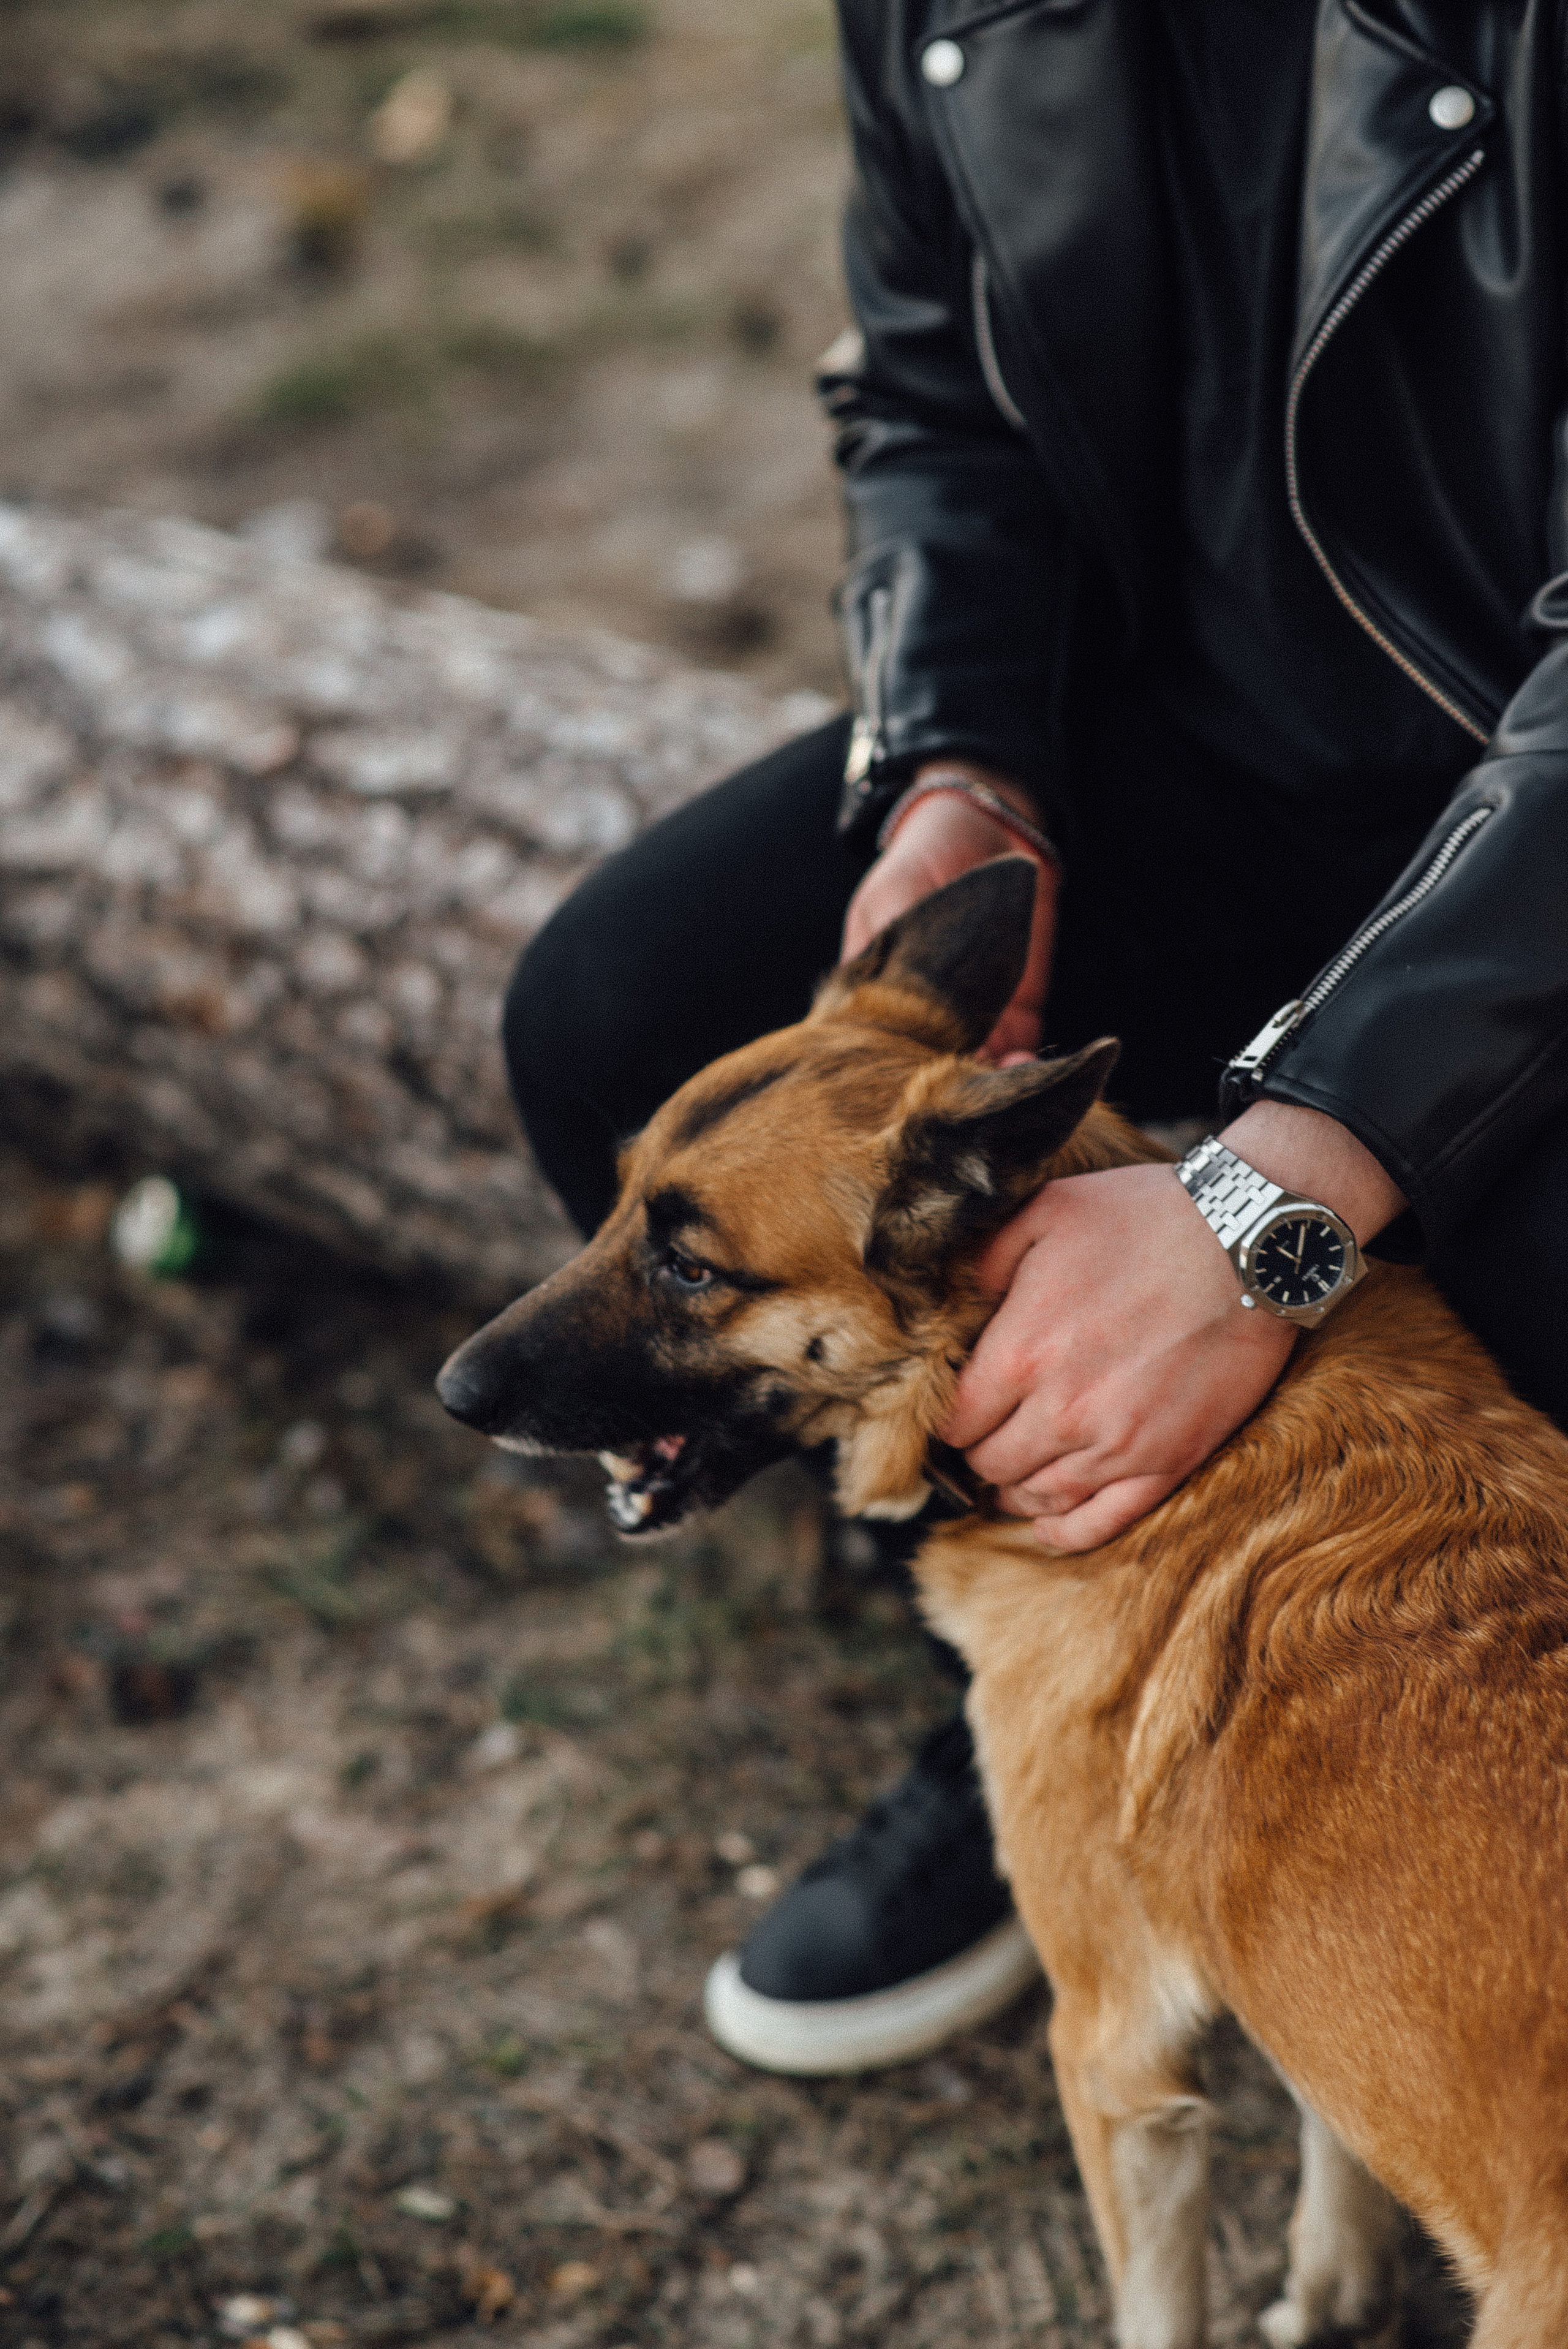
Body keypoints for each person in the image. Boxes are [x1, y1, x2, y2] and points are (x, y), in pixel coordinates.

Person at [504, 0, 1568, 2076]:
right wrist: (960, 765)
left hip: (1529, 799)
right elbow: (934, 403)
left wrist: (1282, 1194)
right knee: (622, 1009)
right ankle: (1049, 1735)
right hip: (1188, 736)